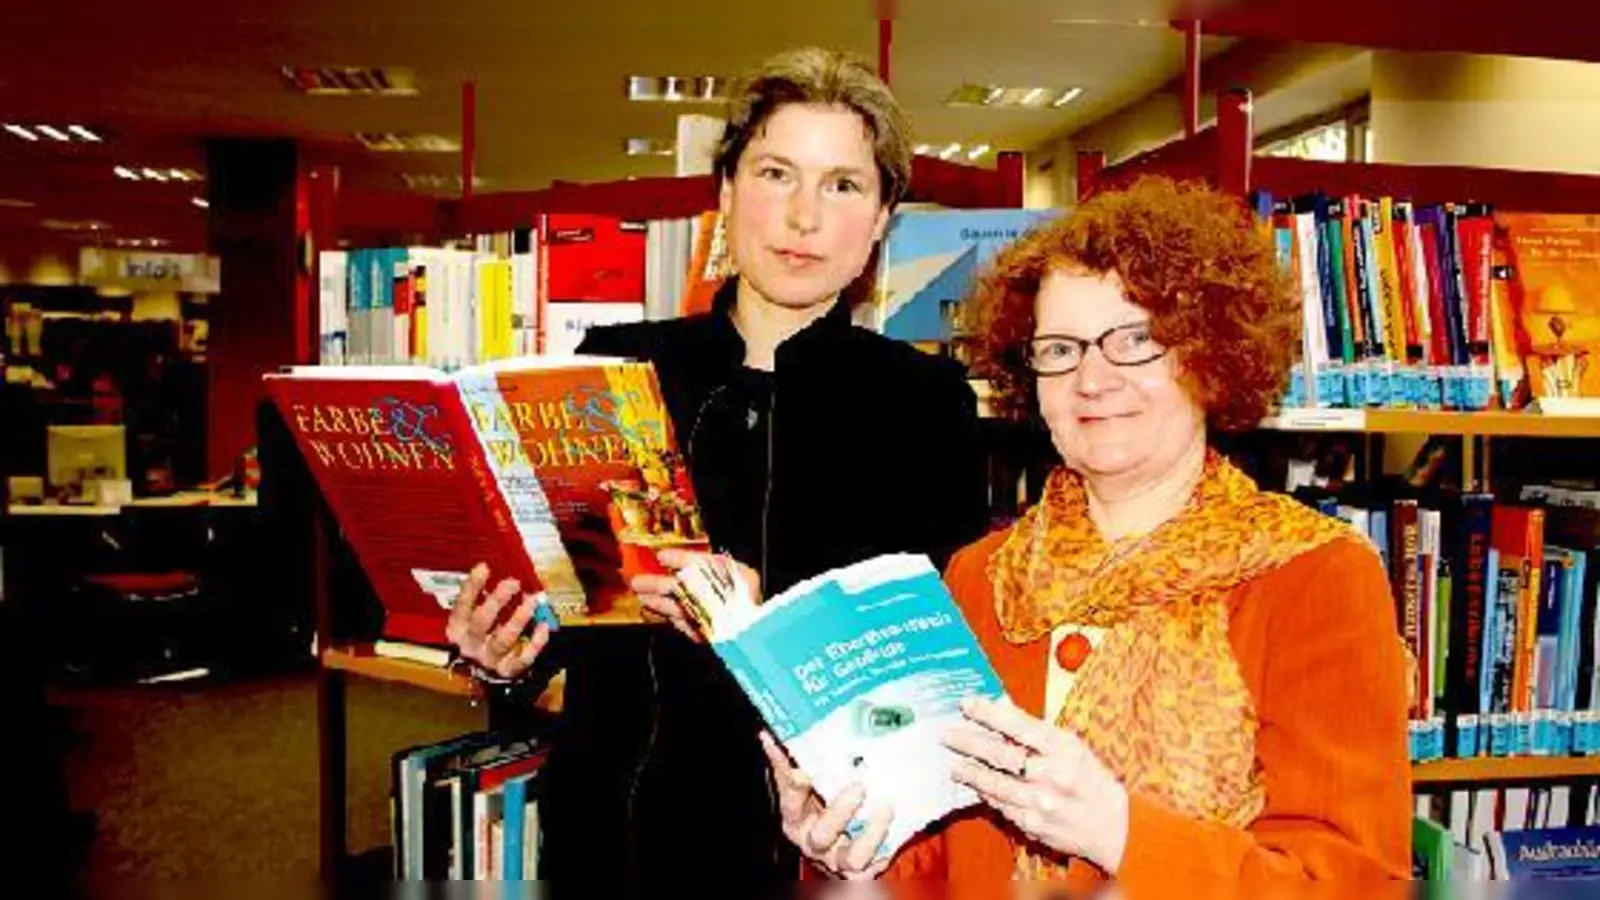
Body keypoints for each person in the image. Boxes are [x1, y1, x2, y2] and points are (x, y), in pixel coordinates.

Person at [764, 176, 1413, 887]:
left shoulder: (1314, 574)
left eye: (1134, 340)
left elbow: (1354, 881)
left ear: (1206, 353)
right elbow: (938, 858)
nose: (1093, 379)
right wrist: (850, 844)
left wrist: (1119, 829)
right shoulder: (982, 576)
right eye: (1061, 349)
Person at [444, 46, 991, 886]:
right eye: (777, 173)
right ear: (727, 194)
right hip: (606, 835)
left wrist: (758, 626)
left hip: (812, 854)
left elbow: (926, 677)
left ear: (882, 218)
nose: (803, 216)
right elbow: (567, 614)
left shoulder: (927, 403)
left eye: (843, 185)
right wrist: (504, 650)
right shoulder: (615, 370)